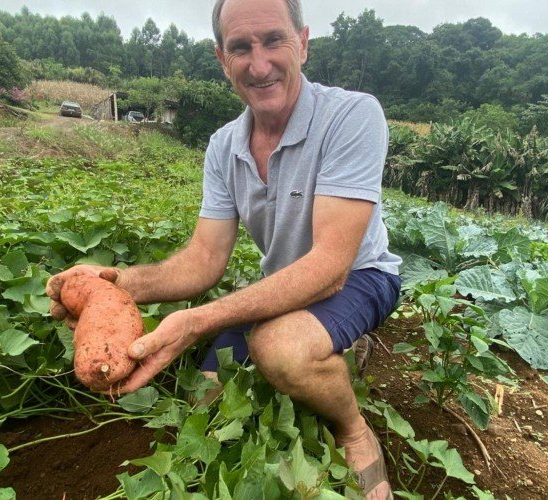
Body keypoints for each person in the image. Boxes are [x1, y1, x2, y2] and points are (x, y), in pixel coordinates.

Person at [46, 0, 401, 497]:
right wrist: (110, 286)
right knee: (208, 396)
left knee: (280, 350)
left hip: (359, 276)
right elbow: (203, 260)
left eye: (274, 40)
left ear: (302, 42)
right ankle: (316, 341)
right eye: (241, 47)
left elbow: (328, 269)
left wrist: (196, 320)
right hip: (282, 282)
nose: (259, 64)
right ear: (222, 59)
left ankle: (353, 430)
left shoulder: (351, 115)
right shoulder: (223, 146)